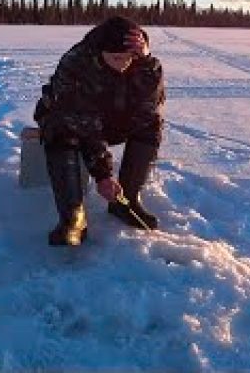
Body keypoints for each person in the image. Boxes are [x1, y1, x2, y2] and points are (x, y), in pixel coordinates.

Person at [33, 16, 165, 246]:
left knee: (151, 123)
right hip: (69, 117)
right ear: (100, 51)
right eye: (116, 57)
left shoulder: (141, 61)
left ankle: (126, 201)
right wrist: (103, 175)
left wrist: (145, 62)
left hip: (110, 118)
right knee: (62, 131)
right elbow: (84, 121)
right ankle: (73, 217)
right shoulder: (76, 63)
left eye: (130, 57)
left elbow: (150, 102)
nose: (124, 63)